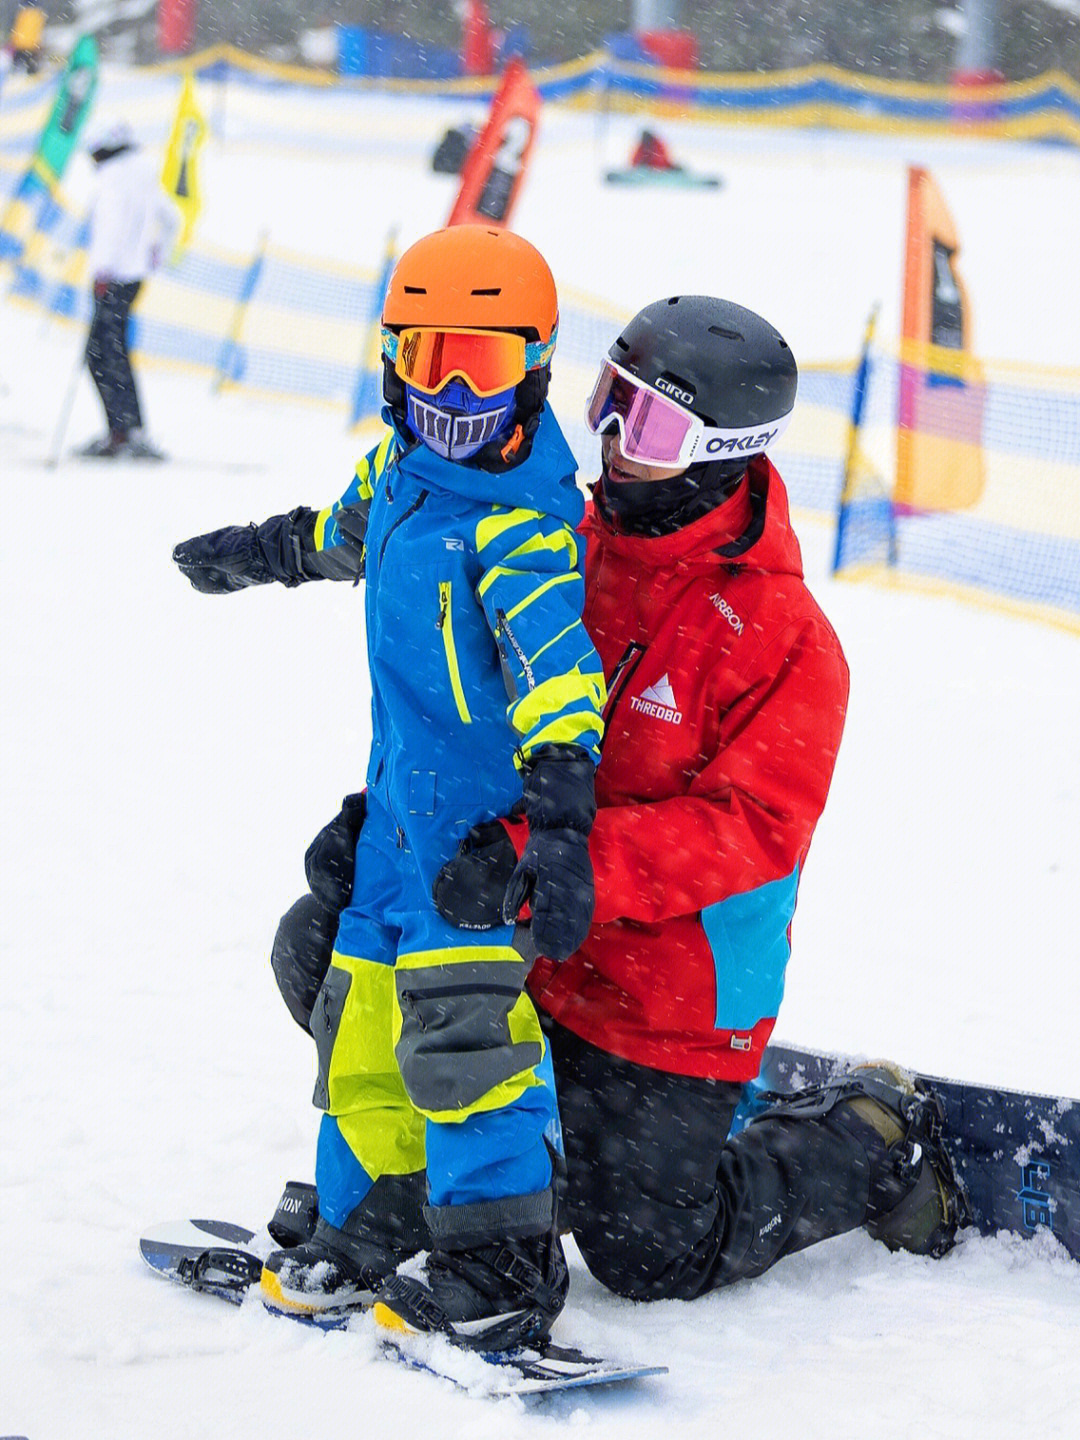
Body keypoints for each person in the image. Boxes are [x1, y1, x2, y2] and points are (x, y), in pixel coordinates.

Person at [269, 294, 966, 1310]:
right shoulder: (562, 544)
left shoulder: (779, 635)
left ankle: (870, 1135)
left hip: (665, 996)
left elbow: (751, 831)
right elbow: (465, 703)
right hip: (532, 952)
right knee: (325, 945)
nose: (608, 441)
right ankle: (438, 1186)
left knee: (649, 1255)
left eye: (648, 426)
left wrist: (560, 866)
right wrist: (387, 824)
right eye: (611, 400)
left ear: (728, 450)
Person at [172, 224, 607, 1351]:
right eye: (430, 358)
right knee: (357, 1026)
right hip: (396, 835)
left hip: (476, 850)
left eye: (485, 362)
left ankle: (503, 1259)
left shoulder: (525, 527)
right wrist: (262, 550)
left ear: (536, 366)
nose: (455, 389)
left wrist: (556, 828)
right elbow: (344, 531)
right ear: (392, 363)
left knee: (468, 1045)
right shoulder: (405, 476)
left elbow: (563, 682)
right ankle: (370, 1212)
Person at [78, 122, 180, 459]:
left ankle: (123, 433)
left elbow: (110, 226)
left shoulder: (113, 178)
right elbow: (172, 217)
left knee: (100, 354)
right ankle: (127, 429)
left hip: (112, 278)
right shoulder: (144, 174)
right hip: (133, 278)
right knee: (113, 352)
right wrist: (157, 253)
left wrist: (102, 270)